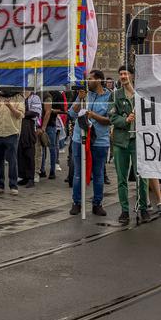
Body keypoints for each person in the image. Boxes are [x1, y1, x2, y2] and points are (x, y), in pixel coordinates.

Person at [69, 70, 113, 217]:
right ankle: (76, 202)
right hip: (79, 139)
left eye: (91, 79)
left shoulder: (109, 96)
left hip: (99, 140)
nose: (88, 81)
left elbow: (110, 120)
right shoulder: (84, 95)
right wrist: (79, 100)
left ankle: (97, 203)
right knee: (78, 173)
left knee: (98, 173)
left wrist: (93, 115)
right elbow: (72, 114)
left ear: (99, 80)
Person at [110, 66, 149, 224]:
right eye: (120, 74)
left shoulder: (140, 95)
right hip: (121, 141)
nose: (123, 76)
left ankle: (143, 207)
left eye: (125, 73)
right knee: (121, 178)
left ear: (132, 76)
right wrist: (124, 120)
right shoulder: (115, 95)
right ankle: (124, 210)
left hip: (138, 140)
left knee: (141, 176)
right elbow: (112, 117)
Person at [0, 88, 24, 195]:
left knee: (12, 161)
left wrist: (10, 106)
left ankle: (13, 186)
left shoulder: (18, 97)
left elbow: (20, 115)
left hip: (12, 132)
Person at [17, 90, 42, 187]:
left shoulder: (35, 97)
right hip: (19, 127)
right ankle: (24, 176)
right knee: (20, 153)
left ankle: (31, 178)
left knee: (29, 153)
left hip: (29, 127)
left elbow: (35, 113)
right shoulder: (19, 96)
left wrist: (20, 113)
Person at [39, 89, 63, 180]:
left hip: (51, 125)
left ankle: (52, 171)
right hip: (41, 125)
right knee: (42, 148)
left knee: (52, 147)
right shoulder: (39, 93)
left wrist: (51, 110)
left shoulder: (55, 94)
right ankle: (42, 170)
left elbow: (61, 110)